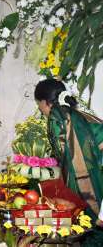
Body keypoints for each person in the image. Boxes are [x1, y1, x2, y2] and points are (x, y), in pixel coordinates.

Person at [34, 78, 103, 244]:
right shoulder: (75, 114)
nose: (39, 108)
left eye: (38, 103)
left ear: (45, 102)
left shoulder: (58, 117)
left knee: (92, 229)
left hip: (96, 176)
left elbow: (72, 161)